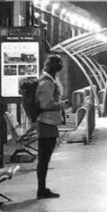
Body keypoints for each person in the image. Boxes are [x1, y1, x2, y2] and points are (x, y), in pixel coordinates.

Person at [33, 54, 67, 199]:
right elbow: (45, 104)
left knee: (44, 159)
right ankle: (41, 190)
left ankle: (42, 189)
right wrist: (60, 105)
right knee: (44, 159)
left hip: (47, 123)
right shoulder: (47, 82)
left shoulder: (47, 79)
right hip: (46, 123)